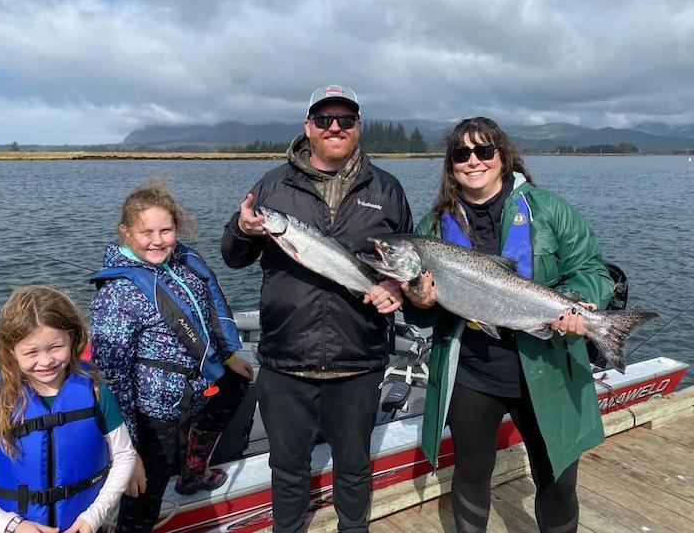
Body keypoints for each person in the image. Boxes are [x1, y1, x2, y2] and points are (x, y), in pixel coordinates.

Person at [403, 117, 615, 533]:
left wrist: (578, 307)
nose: (473, 161)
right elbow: (421, 314)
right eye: (461, 154)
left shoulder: (550, 209)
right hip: (471, 374)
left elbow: (595, 272)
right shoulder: (430, 229)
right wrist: (419, 302)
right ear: (451, 165)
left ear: (503, 157)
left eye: (484, 151)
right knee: (469, 478)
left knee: (557, 481)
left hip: (548, 369)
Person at [221, 85, 413, 533]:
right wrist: (245, 228)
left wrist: (395, 287)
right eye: (324, 119)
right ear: (307, 127)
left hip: (358, 358)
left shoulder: (387, 189)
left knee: (354, 468)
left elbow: (408, 261)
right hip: (286, 359)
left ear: (358, 127)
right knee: (287, 472)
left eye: (345, 120)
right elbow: (233, 256)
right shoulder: (272, 185)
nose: (334, 127)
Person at [90, 178, 254, 533]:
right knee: (146, 494)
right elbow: (111, 381)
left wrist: (227, 359)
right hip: (153, 414)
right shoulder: (117, 294)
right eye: (146, 232)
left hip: (198, 386)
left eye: (166, 230)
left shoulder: (183, 266)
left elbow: (206, 318)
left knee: (238, 383)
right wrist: (128, 452)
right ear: (125, 232)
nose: (157, 240)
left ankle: (194, 471)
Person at [0, 285, 136, 533]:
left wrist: (94, 516)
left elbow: (124, 456)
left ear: (73, 340)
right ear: (10, 351)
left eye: (55, 347)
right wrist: (12, 526)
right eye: (31, 352)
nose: (46, 361)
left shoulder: (97, 395)